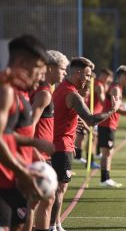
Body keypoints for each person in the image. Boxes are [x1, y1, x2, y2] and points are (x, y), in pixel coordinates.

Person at [50, 57, 121, 231]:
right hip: (61, 146)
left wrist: (75, 123)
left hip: (59, 144)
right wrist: (113, 109)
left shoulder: (62, 89)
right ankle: (52, 226)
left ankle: (57, 224)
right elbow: (91, 119)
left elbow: (63, 115)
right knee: (60, 188)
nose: (89, 79)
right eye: (88, 75)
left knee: (59, 188)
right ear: (77, 73)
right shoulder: (72, 94)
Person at [0, 35, 51, 231]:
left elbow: (7, 135)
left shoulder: (20, 94)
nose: (41, 75)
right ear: (21, 63)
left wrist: (33, 144)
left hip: (15, 183)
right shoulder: (5, 91)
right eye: (38, 68)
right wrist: (23, 172)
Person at [30, 50, 69, 231]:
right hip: (37, 155)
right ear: (51, 68)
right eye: (63, 69)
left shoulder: (48, 91)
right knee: (39, 200)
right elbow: (29, 125)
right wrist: (35, 152)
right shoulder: (44, 94)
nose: (65, 73)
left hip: (44, 154)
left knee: (44, 198)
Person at [98, 65, 126, 187]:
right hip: (107, 124)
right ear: (122, 77)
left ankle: (106, 178)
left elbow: (118, 109)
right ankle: (104, 179)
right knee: (107, 153)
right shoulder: (116, 89)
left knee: (108, 152)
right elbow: (116, 109)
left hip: (109, 124)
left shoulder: (118, 89)